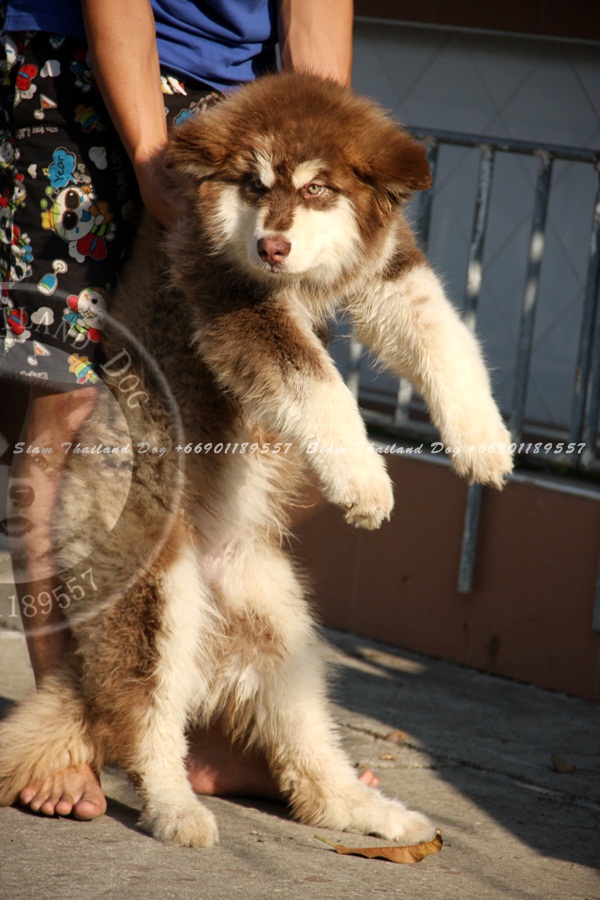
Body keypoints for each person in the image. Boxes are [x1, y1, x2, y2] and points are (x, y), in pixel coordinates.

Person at [1, 0, 378, 821]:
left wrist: (320, 146)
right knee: (69, 400)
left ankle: (211, 734)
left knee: (239, 421)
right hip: (70, 71)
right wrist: (147, 153)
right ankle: (74, 723)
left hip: (237, 103)